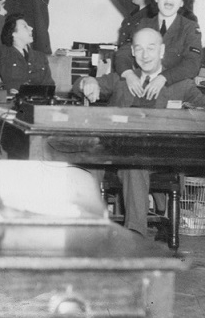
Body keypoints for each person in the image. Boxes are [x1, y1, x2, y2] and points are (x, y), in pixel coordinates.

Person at [74, 27, 205, 237]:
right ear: (133, 53)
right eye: (139, 49)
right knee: (89, 161)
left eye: (151, 49)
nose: (145, 55)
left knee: (134, 165)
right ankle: (87, 231)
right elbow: (78, 84)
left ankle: (135, 236)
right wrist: (87, 82)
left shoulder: (181, 85)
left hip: (158, 156)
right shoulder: (122, 79)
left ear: (161, 51)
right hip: (115, 152)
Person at [113, 0, 202, 101]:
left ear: (182, 2)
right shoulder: (143, 24)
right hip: (142, 90)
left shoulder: (190, 27)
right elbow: (123, 53)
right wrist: (128, 74)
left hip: (174, 92)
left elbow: (192, 64)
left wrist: (163, 77)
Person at [0, 0, 54, 94]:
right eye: (25, 27)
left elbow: (49, 85)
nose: (31, 28)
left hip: (37, 103)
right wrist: (1, 14)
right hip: (12, 103)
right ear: (13, 33)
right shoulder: (3, 54)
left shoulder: (40, 57)